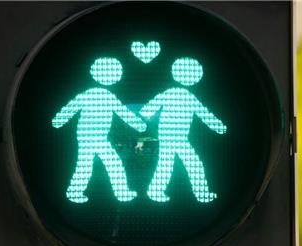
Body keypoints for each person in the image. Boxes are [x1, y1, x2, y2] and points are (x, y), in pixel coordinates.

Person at [52, 57, 146, 203]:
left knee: (94, 164)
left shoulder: (101, 95)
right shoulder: (100, 95)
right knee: (101, 164)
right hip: (90, 138)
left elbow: (122, 112)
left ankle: (77, 192)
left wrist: (58, 120)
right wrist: (59, 120)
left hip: (93, 137)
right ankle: (118, 193)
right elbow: (123, 112)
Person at [139, 57, 227, 203]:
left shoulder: (171, 93)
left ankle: (156, 191)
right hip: (175, 138)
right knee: (189, 164)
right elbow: (204, 113)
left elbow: (147, 110)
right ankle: (200, 194)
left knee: (169, 165)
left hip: (173, 138)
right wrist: (218, 127)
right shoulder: (186, 96)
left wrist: (146, 117)